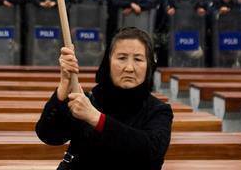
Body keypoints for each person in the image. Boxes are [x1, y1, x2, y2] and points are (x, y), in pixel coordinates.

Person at [36, 27, 173, 169]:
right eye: (122, 58)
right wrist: (64, 85)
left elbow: (150, 152)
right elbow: (48, 135)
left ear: (149, 65)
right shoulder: (91, 100)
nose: (129, 68)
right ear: (108, 62)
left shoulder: (159, 111)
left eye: (138, 59)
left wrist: (96, 118)